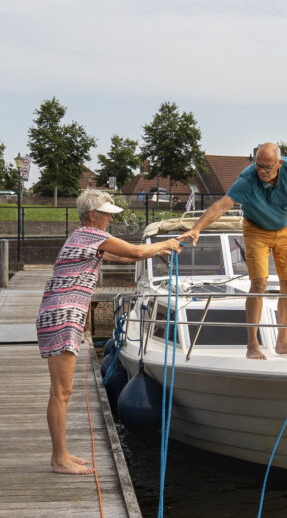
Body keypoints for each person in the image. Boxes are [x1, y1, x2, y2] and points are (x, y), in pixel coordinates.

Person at [39, 189, 182, 475]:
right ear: (93, 216)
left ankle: (62, 454)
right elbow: (138, 251)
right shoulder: (90, 235)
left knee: (61, 391)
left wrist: (160, 250)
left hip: (62, 312)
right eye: (107, 215)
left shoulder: (83, 238)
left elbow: (128, 258)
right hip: (63, 314)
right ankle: (59, 459)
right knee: (61, 392)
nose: (109, 221)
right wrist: (165, 243)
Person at [178, 142, 287, 358]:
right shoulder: (248, 179)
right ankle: (252, 345)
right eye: (259, 165)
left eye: (268, 167)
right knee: (259, 282)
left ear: (279, 164)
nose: (262, 171)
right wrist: (197, 228)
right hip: (256, 229)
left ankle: (283, 342)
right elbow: (223, 205)